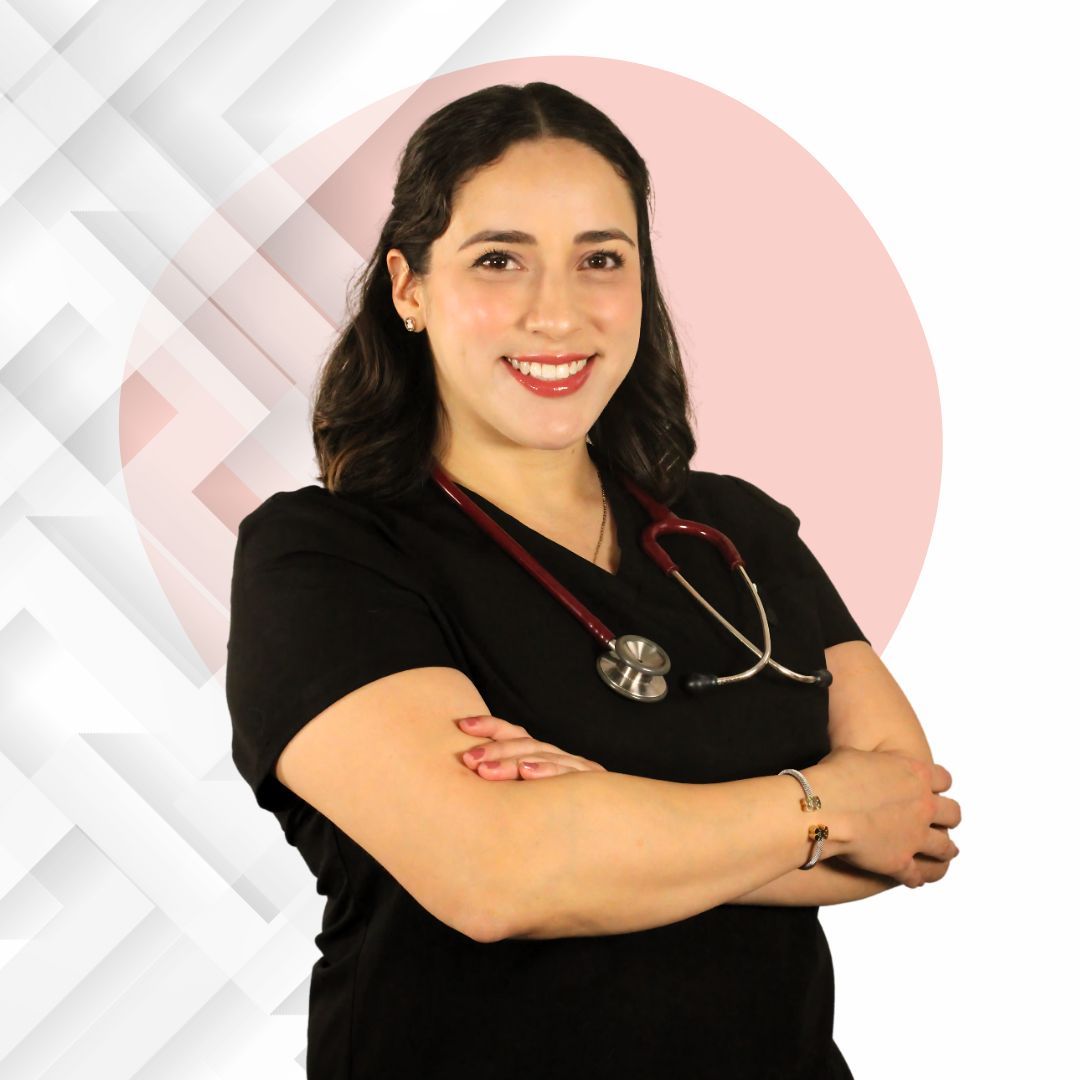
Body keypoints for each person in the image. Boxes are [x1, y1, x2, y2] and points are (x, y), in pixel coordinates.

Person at [225, 81, 961, 1079]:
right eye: (499, 260)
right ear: (408, 288)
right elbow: (496, 876)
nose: (557, 312)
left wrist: (600, 823)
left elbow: (911, 822)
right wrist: (821, 810)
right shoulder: (323, 557)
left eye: (600, 260)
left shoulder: (734, 530)